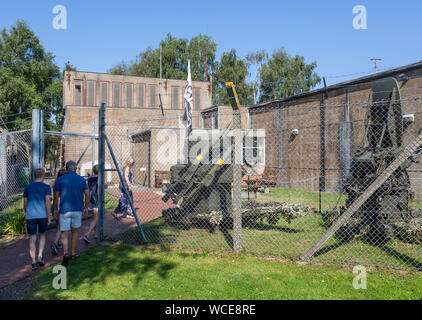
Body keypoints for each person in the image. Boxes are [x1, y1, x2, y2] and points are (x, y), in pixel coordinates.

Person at [53, 160, 90, 266]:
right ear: (75, 168)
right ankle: (73, 253)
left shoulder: (60, 179)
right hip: (77, 208)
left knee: (64, 232)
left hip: (64, 209)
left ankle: (65, 254)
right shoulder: (81, 179)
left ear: (66, 168)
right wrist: (86, 207)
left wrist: (55, 208)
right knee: (75, 232)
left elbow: (56, 196)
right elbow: (87, 194)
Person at [23, 168, 51, 270]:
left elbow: (25, 203)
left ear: (34, 175)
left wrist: (27, 212)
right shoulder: (46, 187)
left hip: (31, 215)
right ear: (43, 175)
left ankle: (34, 262)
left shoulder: (28, 187)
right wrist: (49, 215)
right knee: (42, 235)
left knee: (32, 238)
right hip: (42, 215)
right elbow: (47, 201)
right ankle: (40, 256)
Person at [50, 168, 67, 255]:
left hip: (54, 204)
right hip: (61, 204)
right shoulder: (64, 183)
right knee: (61, 226)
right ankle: (55, 242)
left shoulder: (55, 182)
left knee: (58, 225)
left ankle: (59, 242)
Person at [83, 165, 99, 244]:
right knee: (96, 218)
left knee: (95, 216)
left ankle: (96, 234)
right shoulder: (100, 178)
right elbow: (99, 190)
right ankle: (88, 233)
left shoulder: (89, 179)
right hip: (97, 199)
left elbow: (88, 189)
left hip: (90, 199)